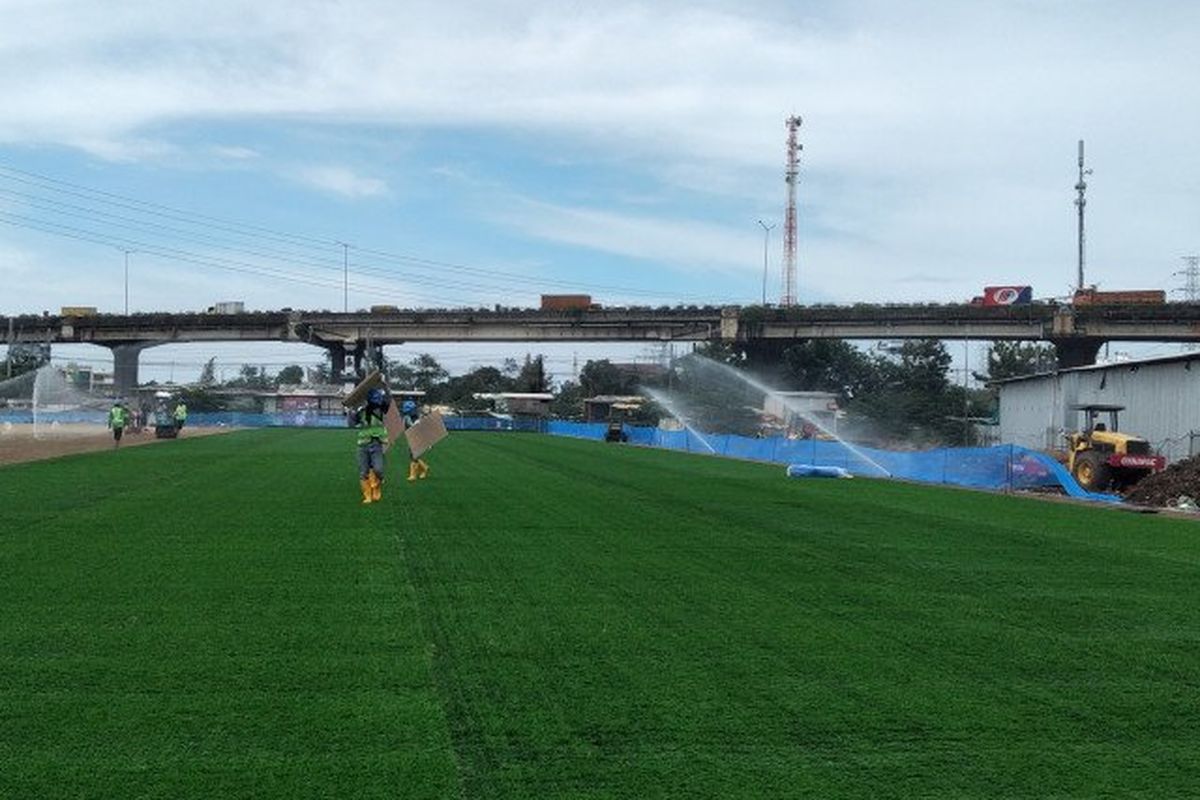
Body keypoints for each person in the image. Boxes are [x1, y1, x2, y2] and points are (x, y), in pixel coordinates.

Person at [354, 387, 390, 504]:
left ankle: (377, 486)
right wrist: (353, 410)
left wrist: (386, 386)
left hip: (377, 444)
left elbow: (387, 401)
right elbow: (353, 422)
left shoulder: (380, 411)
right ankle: (368, 496)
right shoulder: (361, 411)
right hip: (362, 445)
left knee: (378, 469)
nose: (378, 400)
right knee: (363, 472)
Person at [402, 399, 430, 481]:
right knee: (413, 455)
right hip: (411, 437)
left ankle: (413, 475)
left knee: (414, 456)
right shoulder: (408, 417)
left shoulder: (417, 417)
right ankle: (424, 468)